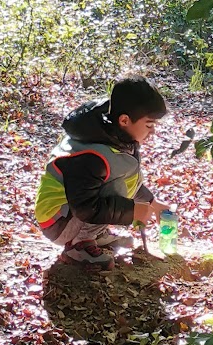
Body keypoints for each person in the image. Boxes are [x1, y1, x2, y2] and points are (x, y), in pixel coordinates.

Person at [34, 76, 170, 268]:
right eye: (149, 125)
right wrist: (132, 211)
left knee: (117, 184)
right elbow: (85, 206)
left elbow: (129, 179)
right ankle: (78, 245)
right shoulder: (93, 156)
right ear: (124, 120)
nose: (153, 131)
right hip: (57, 221)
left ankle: (93, 232)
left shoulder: (117, 136)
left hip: (71, 213)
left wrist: (153, 204)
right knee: (114, 188)